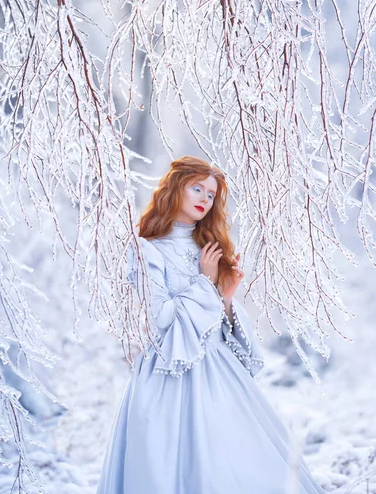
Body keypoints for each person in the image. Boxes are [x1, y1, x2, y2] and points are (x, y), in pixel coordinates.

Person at [96, 156, 326, 494]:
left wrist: (227, 298)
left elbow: (216, 324)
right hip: (167, 375)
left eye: (212, 194)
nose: (205, 198)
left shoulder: (208, 249)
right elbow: (160, 319)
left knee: (239, 459)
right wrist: (205, 284)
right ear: (175, 188)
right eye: (197, 188)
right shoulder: (147, 251)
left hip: (219, 374)